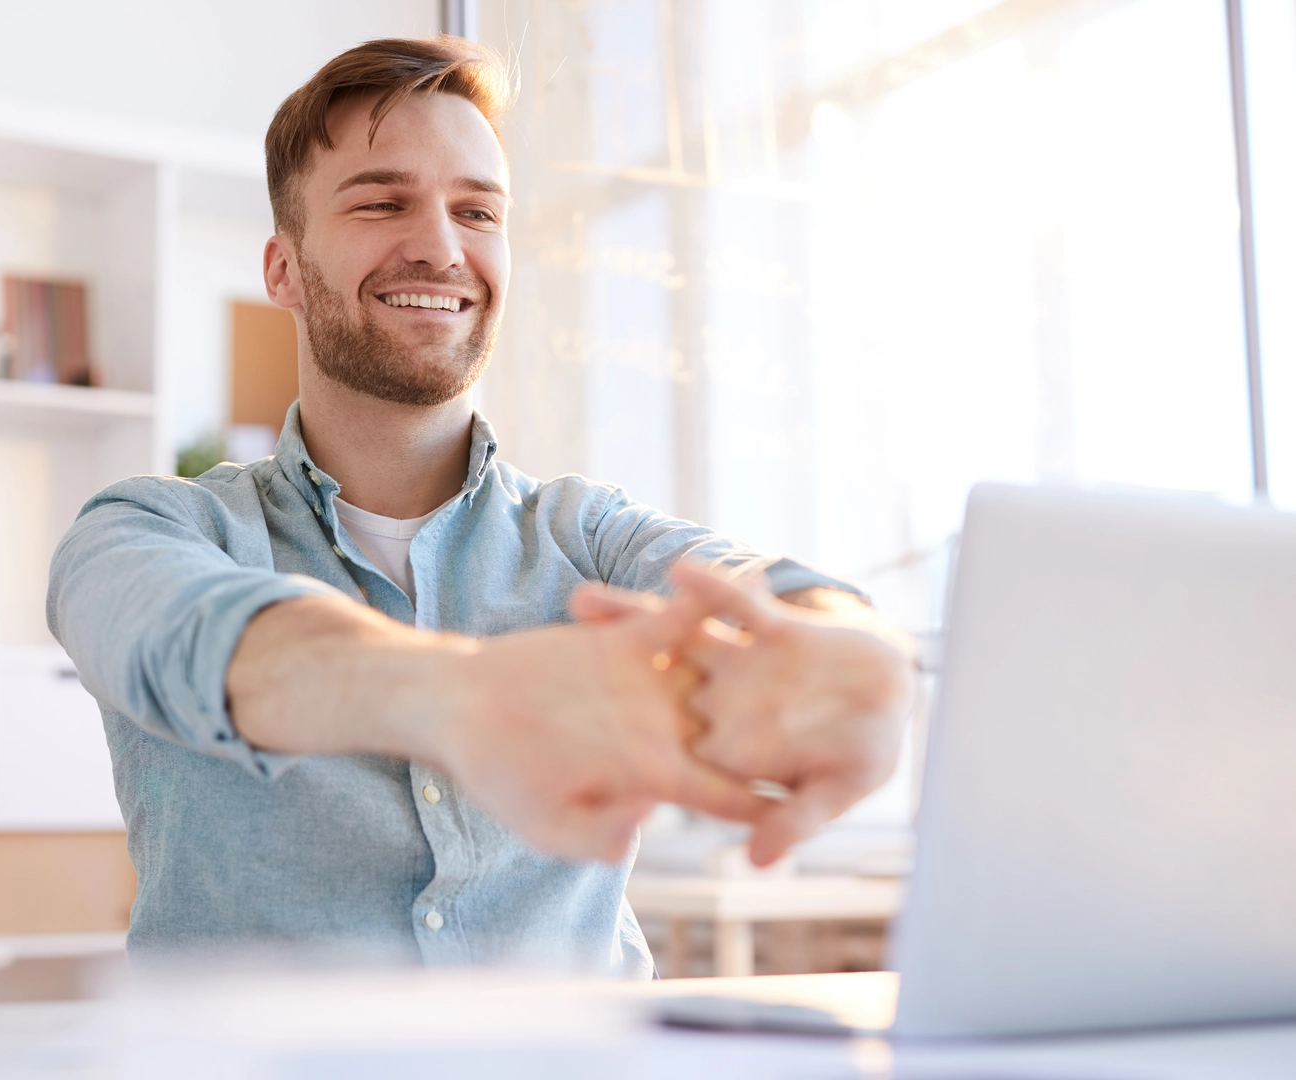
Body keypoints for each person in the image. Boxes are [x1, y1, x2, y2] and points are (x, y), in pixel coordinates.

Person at [47, 37, 914, 976]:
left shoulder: (587, 533)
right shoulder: (148, 528)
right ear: (283, 268)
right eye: (383, 202)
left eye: (477, 211)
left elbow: (767, 590)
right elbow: (191, 638)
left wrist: (843, 642)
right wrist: (461, 700)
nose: (442, 246)